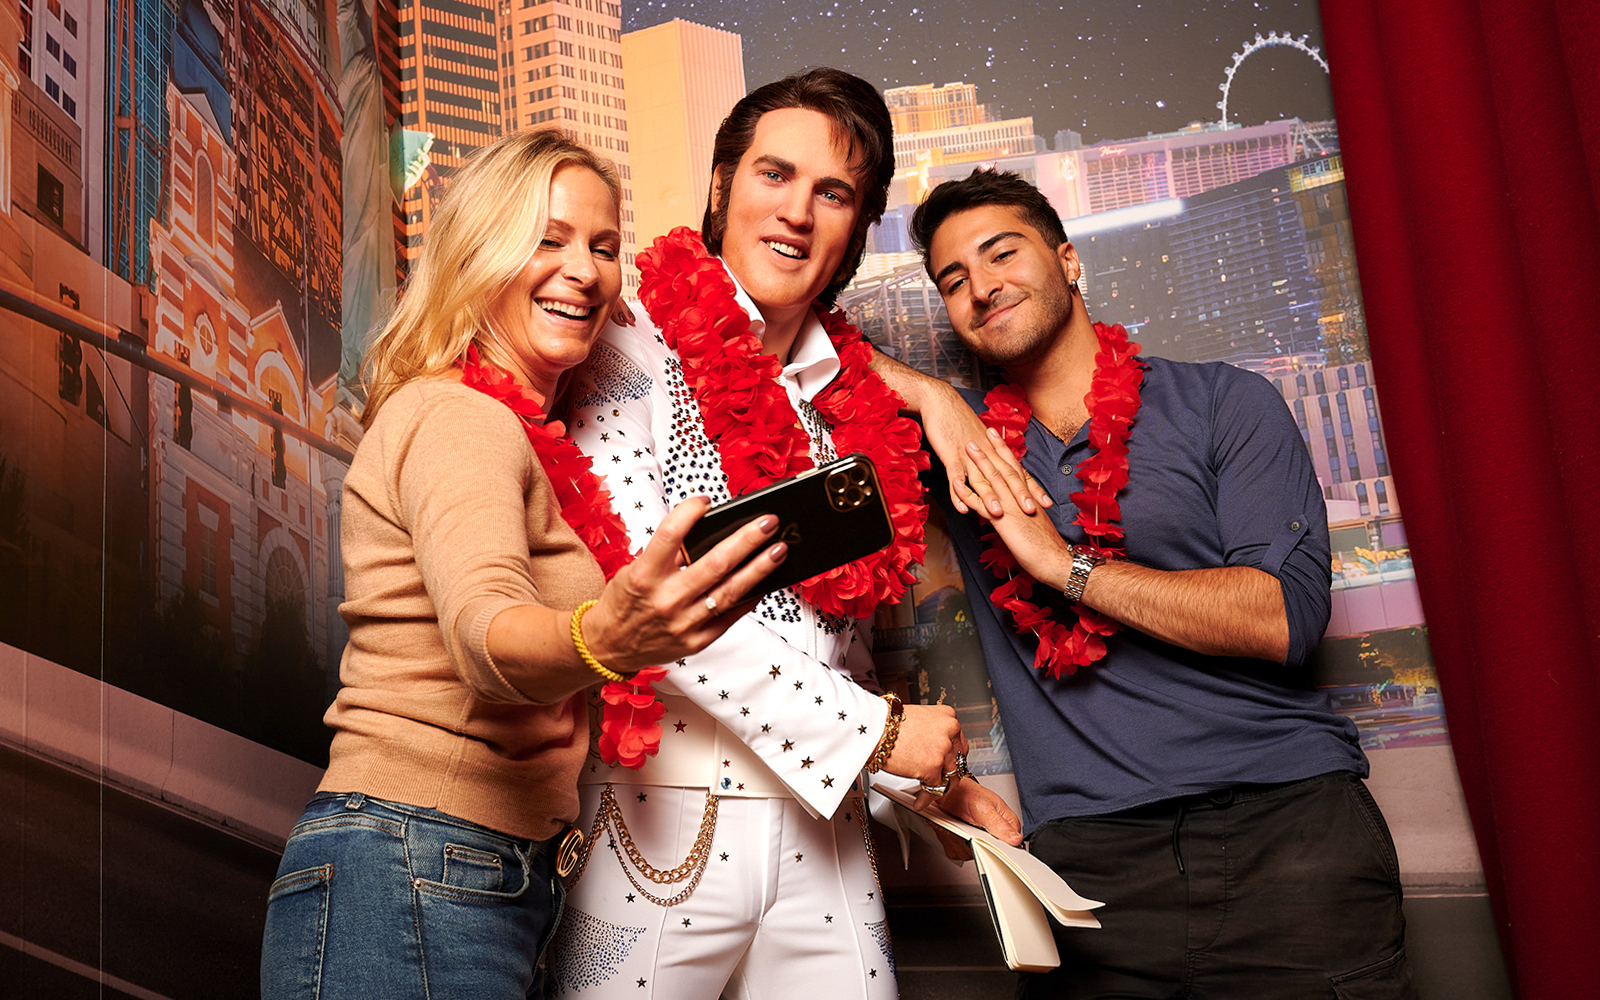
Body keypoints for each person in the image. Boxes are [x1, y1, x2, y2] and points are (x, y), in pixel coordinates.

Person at [259, 130, 791, 1000]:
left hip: (468, 869)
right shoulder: (462, 418)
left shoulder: (522, 435)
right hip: (413, 859)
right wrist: (610, 635)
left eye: (603, 245)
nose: (582, 268)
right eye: (547, 239)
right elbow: (485, 634)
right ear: (481, 255)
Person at [553, 69, 1022, 999]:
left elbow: (836, 643)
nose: (798, 213)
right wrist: (881, 735)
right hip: (661, 831)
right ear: (724, 183)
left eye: (833, 192)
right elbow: (654, 609)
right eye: (775, 175)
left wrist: (927, 786)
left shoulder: (852, 405)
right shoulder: (623, 350)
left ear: (857, 226)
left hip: (830, 842)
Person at [895, 167, 1417, 998]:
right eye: (953, 280)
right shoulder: (964, 455)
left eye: (1002, 254)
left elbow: (1282, 618)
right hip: (1089, 874)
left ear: (1068, 261)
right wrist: (931, 398)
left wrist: (1061, 563)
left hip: (1290, 838)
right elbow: (770, 355)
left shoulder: (1222, 402)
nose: (982, 287)